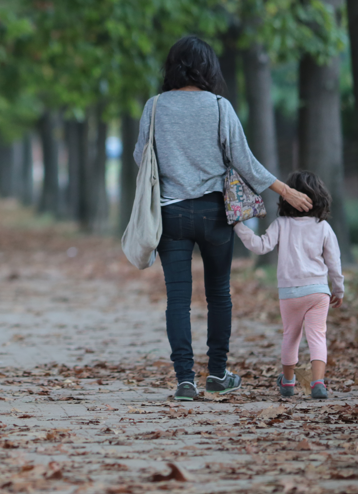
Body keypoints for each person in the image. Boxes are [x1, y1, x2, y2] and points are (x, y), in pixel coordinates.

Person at [133, 35, 313, 401]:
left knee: (178, 300)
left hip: (171, 214)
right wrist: (284, 190)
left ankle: (185, 379)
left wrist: (174, 168)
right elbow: (245, 162)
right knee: (219, 295)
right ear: (207, 68)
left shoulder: (154, 108)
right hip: (215, 213)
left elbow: (141, 157)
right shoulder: (219, 107)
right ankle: (217, 373)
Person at [233, 170, 344, 400]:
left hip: (290, 293)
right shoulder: (322, 226)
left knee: (290, 336)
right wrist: (338, 289)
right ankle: (318, 383)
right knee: (317, 336)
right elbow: (334, 261)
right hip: (318, 292)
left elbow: (261, 246)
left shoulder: (281, 224)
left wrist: (238, 225)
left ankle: (288, 381)